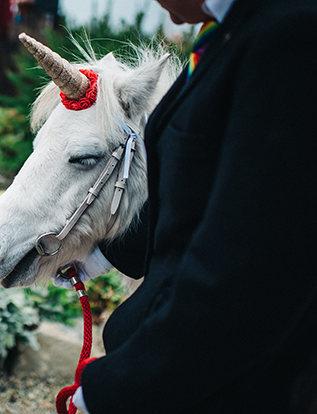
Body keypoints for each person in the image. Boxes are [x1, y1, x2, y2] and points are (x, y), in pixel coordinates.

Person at [68, 0, 317, 413]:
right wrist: (100, 252)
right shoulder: (232, 30)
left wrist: (117, 389)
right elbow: (204, 189)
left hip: (224, 388)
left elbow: (252, 266)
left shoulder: (293, 35)